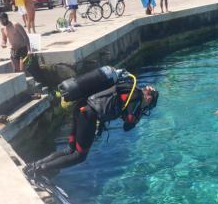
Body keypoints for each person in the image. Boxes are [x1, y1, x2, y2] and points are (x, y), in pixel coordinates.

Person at [23, 66, 159, 176]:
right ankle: (38, 170)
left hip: (81, 107)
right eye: (148, 106)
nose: (146, 108)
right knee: (79, 156)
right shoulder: (136, 97)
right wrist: (139, 113)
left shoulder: (128, 89)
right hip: (88, 114)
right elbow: (128, 125)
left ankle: (35, 165)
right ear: (149, 99)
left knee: (70, 149)